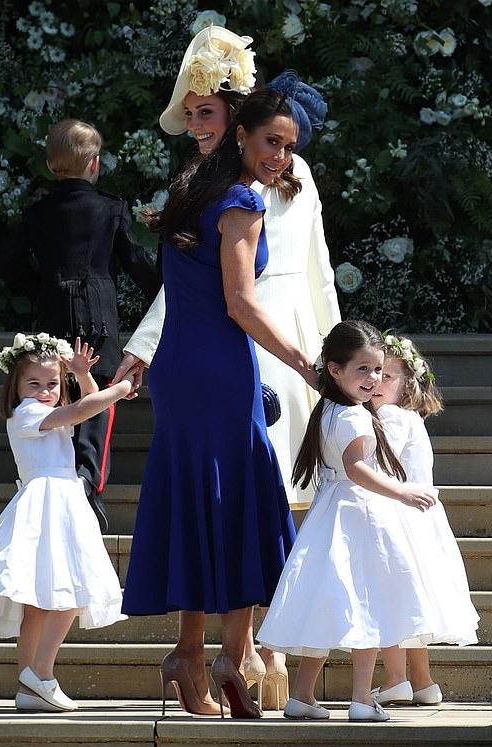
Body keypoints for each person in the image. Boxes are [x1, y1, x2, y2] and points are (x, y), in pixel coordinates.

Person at [115, 26, 340, 709]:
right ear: (243, 135)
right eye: (271, 141)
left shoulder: (190, 186)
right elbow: (241, 303)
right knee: (240, 501)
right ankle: (225, 659)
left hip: (186, 365)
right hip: (221, 361)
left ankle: (198, 655)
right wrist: (309, 363)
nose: (281, 154)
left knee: (202, 499)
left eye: (288, 145)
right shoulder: (240, 201)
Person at [257, 320, 456, 722]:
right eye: (363, 369)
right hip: (361, 512)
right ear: (334, 369)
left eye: (379, 370)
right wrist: (402, 491)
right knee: (367, 603)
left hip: (330, 512)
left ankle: (303, 696)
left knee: (327, 601)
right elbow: (357, 467)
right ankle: (363, 699)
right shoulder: (356, 416)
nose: (374, 378)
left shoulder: (329, 407)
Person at [0, 119, 161, 532]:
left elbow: (7, 261)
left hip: (53, 316)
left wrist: (38, 289)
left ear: (53, 164)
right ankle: (88, 479)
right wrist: (166, 288)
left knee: (59, 394)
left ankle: (69, 476)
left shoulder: (37, 212)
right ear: (95, 163)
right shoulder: (110, 207)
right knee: (99, 399)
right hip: (99, 316)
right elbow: (136, 262)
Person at [0, 333, 138, 712]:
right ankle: (41, 672)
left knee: (41, 604)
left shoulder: (48, 413)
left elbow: (88, 408)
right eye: (34, 383)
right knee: (70, 591)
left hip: (60, 500)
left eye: (53, 384)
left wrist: (82, 376)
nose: (44, 391)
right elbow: (81, 411)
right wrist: (122, 386)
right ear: (17, 386)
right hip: (49, 502)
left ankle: (29, 688)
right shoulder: (27, 414)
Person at [369, 333, 479, 707]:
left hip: (399, 518)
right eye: (374, 372)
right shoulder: (408, 417)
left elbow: (377, 466)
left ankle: (396, 678)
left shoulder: (390, 417)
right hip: (419, 520)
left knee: (392, 599)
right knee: (412, 603)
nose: (377, 382)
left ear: (407, 385)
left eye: (388, 376)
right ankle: (423, 681)